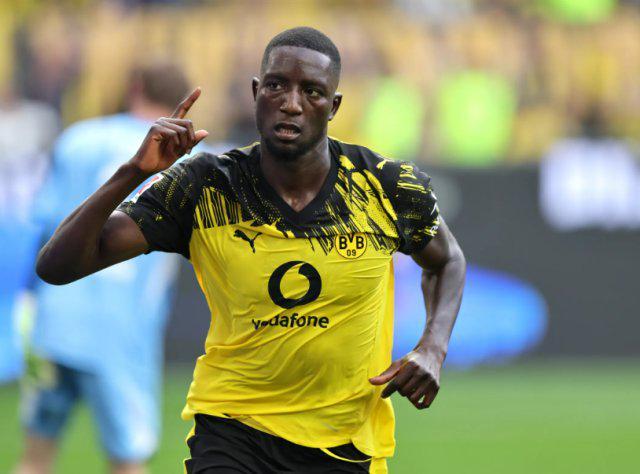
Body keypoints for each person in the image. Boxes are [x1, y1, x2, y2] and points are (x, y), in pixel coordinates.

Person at [35, 27, 466, 473]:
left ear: (334, 106)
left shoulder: (385, 186)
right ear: (257, 92)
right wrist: (133, 172)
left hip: (346, 440)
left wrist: (433, 347)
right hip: (233, 431)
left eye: (312, 91)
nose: (291, 103)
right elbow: (57, 266)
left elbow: (448, 260)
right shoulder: (205, 187)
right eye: (277, 85)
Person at [15, 61, 194, 474]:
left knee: (35, 457)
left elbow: (43, 223)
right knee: (128, 462)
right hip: (122, 330)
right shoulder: (187, 158)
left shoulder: (78, 138)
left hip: (56, 319)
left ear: (135, 87)